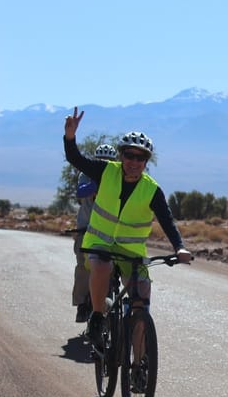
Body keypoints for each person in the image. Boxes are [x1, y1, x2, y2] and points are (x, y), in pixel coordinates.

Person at [63, 107, 192, 351]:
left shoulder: (152, 189)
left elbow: (167, 221)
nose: (134, 162)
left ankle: (139, 367)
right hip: (100, 243)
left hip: (132, 252)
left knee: (141, 304)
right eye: (129, 155)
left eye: (140, 158)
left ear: (146, 161)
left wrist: (180, 248)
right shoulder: (106, 171)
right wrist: (70, 138)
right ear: (121, 156)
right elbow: (75, 160)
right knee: (100, 266)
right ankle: (98, 317)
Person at [71, 144, 117, 322]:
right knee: (83, 266)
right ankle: (82, 304)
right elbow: (81, 191)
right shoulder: (85, 174)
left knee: (115, 265)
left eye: (109, 161)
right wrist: (98, 182)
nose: (105, 164)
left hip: (110, 230)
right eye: (101, 161)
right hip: (86, 228)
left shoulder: (119, 177)